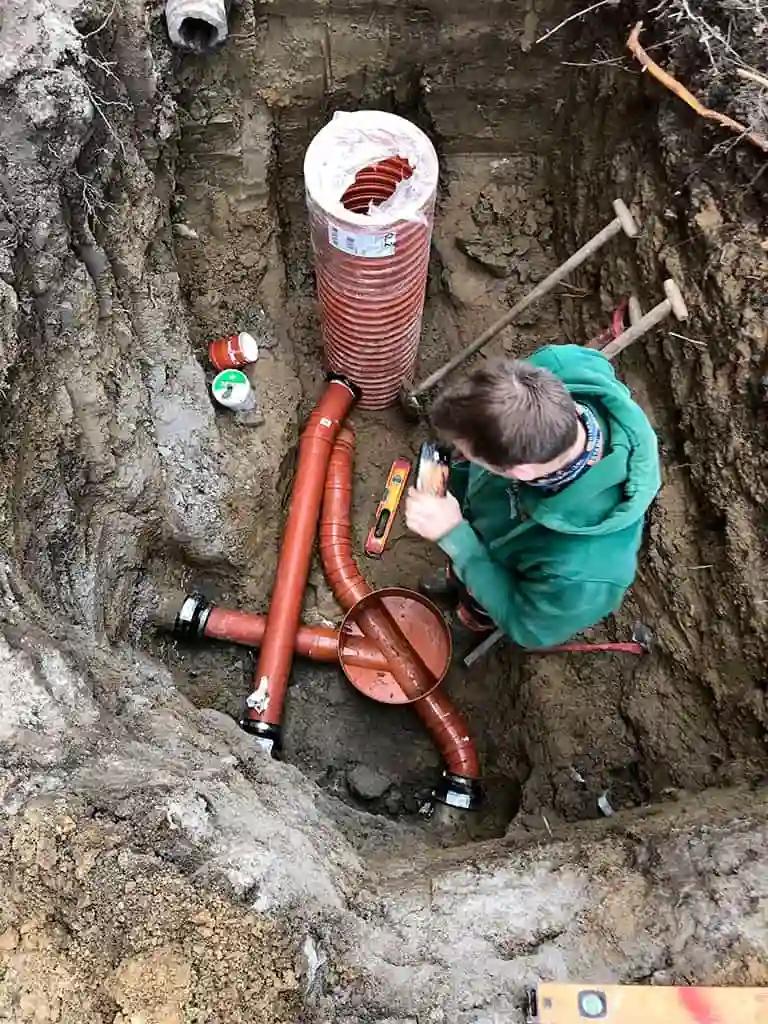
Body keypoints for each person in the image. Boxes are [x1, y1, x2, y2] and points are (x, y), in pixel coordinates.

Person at [404, 344, 661, 652]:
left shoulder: (584, 573)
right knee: (462, 570)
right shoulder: (559, 365)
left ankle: (470, 618)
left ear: (520, 472)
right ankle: (456, 580)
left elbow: (527, 626)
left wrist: (457, 540)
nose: (460, 453)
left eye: (469, 454)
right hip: (488, 519)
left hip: (508, 577)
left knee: (481, 603)